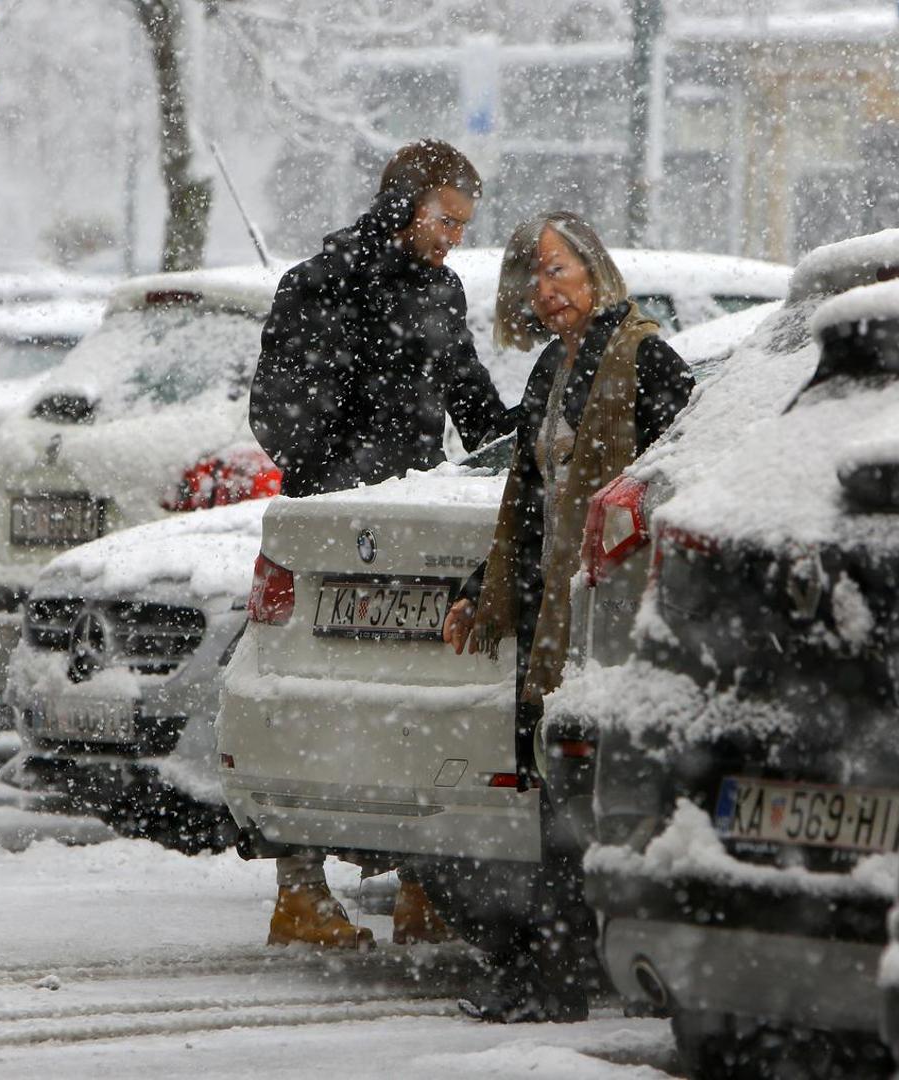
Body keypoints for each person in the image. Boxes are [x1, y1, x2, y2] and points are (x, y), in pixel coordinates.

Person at [249, 139, 515, 950]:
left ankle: (422, 889)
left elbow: (470, 396)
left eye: (464, 225)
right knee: (310, 704)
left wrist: (519, 453)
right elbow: (274, 410)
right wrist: (338, 474)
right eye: (444, 219)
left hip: (418, 525)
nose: (453, 238)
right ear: (404, 203)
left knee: (413, 709)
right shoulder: (319, 284)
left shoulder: (439, 291)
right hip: (330, 525)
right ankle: (298, 892)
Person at [441, 211, 695, 1022]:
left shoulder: (646, 358)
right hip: (554, 611)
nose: (546, 291)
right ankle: (551, 966)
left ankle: (561, 973)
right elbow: (528, 498)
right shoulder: (555, 365)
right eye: (533, 277)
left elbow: (682, 482)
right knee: (549, 790)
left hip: (609, 614)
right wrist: (481, 592)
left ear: (596, 269)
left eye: (559, 270)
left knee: (584, 791)